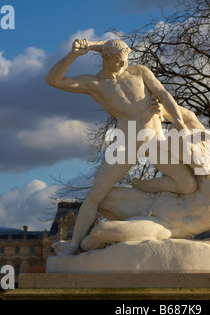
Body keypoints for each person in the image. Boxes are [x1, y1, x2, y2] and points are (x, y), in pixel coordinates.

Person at [46, 39, 197, 256]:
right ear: (106, 59)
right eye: (119, 62)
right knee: (96, 194)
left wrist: (178, 120)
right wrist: (74, 55)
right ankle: (74, 246)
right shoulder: (95, 84)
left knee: (188, 185)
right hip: (125, 142)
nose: (123, 66)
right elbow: (52, 80)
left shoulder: (139, 72)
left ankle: (142, 186)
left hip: (154, 139)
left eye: (126, 60)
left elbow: (163, 94)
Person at [65, 106, 210, 252]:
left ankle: (91, 244)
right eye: (189, 163)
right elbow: (187, 116)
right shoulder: (202, 136)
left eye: (196, 164)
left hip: (167, 226)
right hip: (154, 202)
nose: (195, 170)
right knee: (99, 198)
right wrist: (161, 110)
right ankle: (87, 244)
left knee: (103, 229)